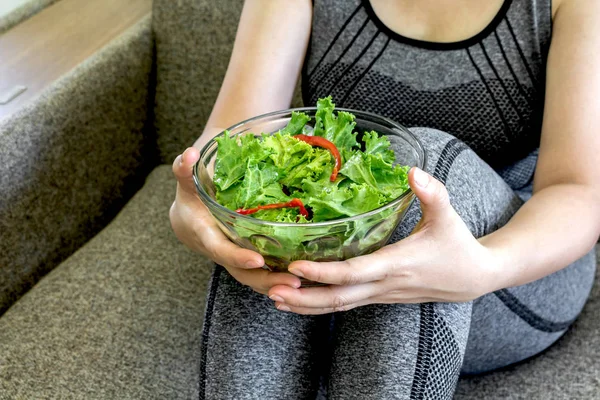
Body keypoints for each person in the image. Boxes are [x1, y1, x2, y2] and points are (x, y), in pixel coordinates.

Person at [169, 0, 600, 398]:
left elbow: (578, 190)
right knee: (262, 224)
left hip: (513, 267)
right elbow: (235, 145)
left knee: (416, 177)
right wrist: (195, 206)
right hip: (333, 261)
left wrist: (483, 268)